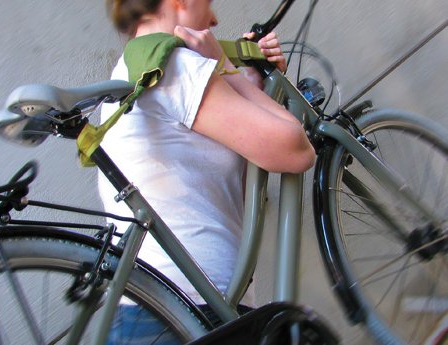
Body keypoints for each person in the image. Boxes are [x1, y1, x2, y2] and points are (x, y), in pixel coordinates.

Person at [99, 0, 316, 343]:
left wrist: (249, 79)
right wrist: (224, 65)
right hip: (186, 307)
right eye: (210, 4)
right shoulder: (171, 63)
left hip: (162, 309)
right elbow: (297, 150)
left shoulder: (137, 66)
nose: (214, 19)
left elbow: (237, 198)